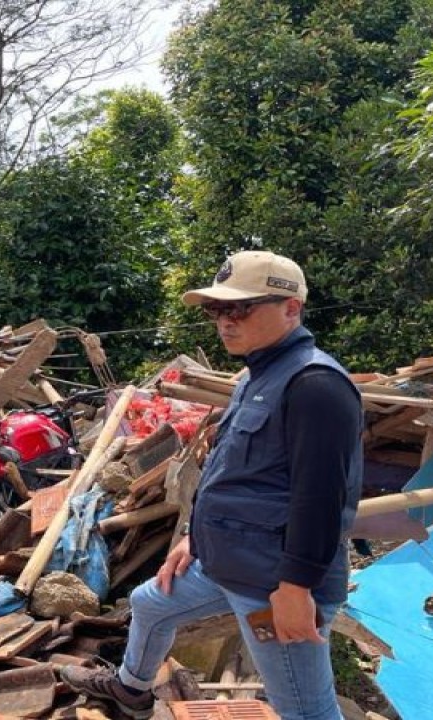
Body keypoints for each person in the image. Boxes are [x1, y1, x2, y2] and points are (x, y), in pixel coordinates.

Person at [59, 250, 363, 720]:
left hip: (273, 583)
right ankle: (131, 689)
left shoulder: (315, 385)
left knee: (305, 708)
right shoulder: (256, 377)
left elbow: (322, 499)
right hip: (229, 562)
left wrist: (296, 589)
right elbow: (231, 472)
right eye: (216, 309)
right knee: (149, 603)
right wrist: (194, 539)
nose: (225, 321)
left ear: (291, 309)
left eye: (240, 308)